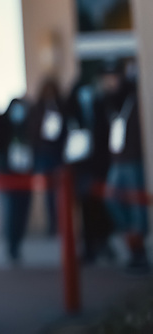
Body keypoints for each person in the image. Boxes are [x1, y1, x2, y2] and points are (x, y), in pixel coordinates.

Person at [102, 58, 149, 273]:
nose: (110, 82)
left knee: (137, 204)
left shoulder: (135, 97)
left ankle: (139, 253)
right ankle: (131, 242)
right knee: (111, 198)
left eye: (113, 77)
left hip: (133, 159)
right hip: (117, 160)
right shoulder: (110, 101)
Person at [65, 74, 114, 264]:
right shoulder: (72, 109)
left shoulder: (99, 106)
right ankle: (90, 249)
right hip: (80, 167)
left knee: (100, 205)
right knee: (85, 208)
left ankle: (102, 243)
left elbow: (104, 134)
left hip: (97, 165)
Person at [0, 97, 32, 263]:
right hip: (8, 177)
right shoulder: (4, 128)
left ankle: (17, 244)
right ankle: (11, 246)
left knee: (22, 213)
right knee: (10, 213)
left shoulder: (27, 128)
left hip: (25, 176)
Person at [29, 78, 67, 236]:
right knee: (49, 193)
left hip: (56, 155)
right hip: (44, 154)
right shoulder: (38, 108)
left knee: (61, 192)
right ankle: (52, 225)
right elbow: (32, 131)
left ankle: (61, 224)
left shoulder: (60, 106)